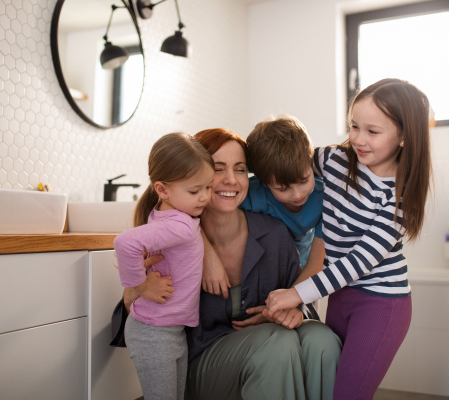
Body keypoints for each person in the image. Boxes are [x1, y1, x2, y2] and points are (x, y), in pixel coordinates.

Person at [117, 127, 341, 400]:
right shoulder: (170, 238)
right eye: (218, 169)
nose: (231, 180)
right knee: (277, 344)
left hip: (266, 347)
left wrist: (293, 311)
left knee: (322, 340)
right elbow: (134, 307)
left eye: (240, 169)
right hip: (200, 361)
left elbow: (299, 293)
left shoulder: (275, 233)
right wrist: (139, 287)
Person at [265, 78, 432, 399]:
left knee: (349, 394)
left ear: (404, 137)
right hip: (341, 296)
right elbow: (282, 166)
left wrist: (296, 294)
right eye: (354, 126)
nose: (358, 139)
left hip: (382, 304)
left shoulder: (401, 196)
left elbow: (359, 262)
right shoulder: (332, 160)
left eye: (373, 131)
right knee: (330, 387)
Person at [113, 132, 215, 400]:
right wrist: (141, 285)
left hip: (166, 329)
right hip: (154, 333)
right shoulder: (180, 224)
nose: (205, 197)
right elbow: (124, 243)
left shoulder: (169, 212)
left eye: (208, 186)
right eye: (195, 191)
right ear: (162, 189)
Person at [203, 116, 325, 319]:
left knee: (308, 320)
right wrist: (207, 254)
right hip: (270, 269)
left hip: (304, 270)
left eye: (304, 180)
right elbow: (196, 213)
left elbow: (316, 264)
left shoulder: (325, 199)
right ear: (265, 182)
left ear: (311, 163)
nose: (297, 195)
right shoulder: (253, 193)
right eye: (283, 188)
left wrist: (290, 301)